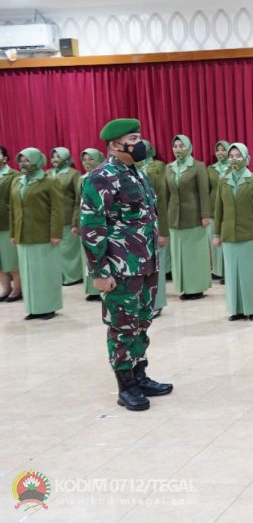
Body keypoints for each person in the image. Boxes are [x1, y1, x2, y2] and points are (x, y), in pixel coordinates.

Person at [81, 118, 172, 411]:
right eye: (133, 139)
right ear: (115, 145)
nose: (139, 143)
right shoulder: (100, 177)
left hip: (146, 264)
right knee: (122, 327)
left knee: (142, 322)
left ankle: (139, 375)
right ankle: (126, 386)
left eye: (139, 137)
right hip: (121, 268)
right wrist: (99, 271)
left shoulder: (138, 174)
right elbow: (92, 227)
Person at [212, 142, 253, 321]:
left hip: (250, 235)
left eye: (238, 156)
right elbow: (218, 209)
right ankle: (235, 309)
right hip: (229, 235)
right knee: (232, 274)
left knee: (250, 273)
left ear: (246, 158)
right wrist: (216, 234)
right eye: (231, 156)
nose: (234, 159)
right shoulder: (223, 180)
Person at [9, 148, 63, 320]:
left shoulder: (49, 181)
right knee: (28, 273)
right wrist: (13, 232)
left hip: (43, 234)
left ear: (37, 161)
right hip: (23, 235)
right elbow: (13, 210)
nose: (23, 164)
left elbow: (57, 209)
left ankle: (48, 307)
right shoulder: (17, 181)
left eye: (27, 160)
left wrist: (56, 233)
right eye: (21, 160)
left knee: (44, 272)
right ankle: (33, 308)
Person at [165, 135, 212, 300]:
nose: (178, 149)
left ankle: (197, 288)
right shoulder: (169, 168)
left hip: (194, 217)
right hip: (174, 219)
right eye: (175, 146)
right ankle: (183, 287)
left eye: (181, 146)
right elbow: (166, 195)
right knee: (179, 255)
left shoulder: (198, 166)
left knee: (195, 254)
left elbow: (204, 192)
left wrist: (205, 214)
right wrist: (164, 217)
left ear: (189, 147)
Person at [140, 140, 169, 317]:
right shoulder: (127, 169)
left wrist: (163, 231)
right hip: (134, 228)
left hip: (153, 223)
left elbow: (162, 201)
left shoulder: (156, 169)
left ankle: (156, 303)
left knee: (155, 266)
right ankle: (142, 304)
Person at [72, 148, 104, 301]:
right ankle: (92, 290)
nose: (87, 163)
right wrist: (75, 223)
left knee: (101, 254)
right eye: (84, 160)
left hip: (100, 222)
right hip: (85, 222)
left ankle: (104, 288)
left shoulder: (105, 177)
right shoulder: (81, 179)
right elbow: (77, 202)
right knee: (88, 256)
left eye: (91, 159)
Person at [49, 146, 83, 286]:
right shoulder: (47, 174)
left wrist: (76, 221)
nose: (54, 159)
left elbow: (78, 198)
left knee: (69, 250)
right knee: (56, 251)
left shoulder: (74, 174)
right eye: (53, 156)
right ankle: (60, 276)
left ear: (66, 158)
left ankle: (74, 276)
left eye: (58, 156)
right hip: (51, 219)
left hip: (68, 218)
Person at [0, 146, 22, 302]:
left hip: (7, 223)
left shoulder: (14, 175)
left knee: (11, 259)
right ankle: (6, 288)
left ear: (5, 157)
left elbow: (16, 199)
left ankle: (17, 289)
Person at [207, 140, 230, 282]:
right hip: (213, 209)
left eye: (223, 149)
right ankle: (218, 271)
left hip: (229, 208)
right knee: (215, 241)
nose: (220, 152)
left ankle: (229, 271)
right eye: (218, 149)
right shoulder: (210, 169)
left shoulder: (233, 166)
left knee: (228, 241)